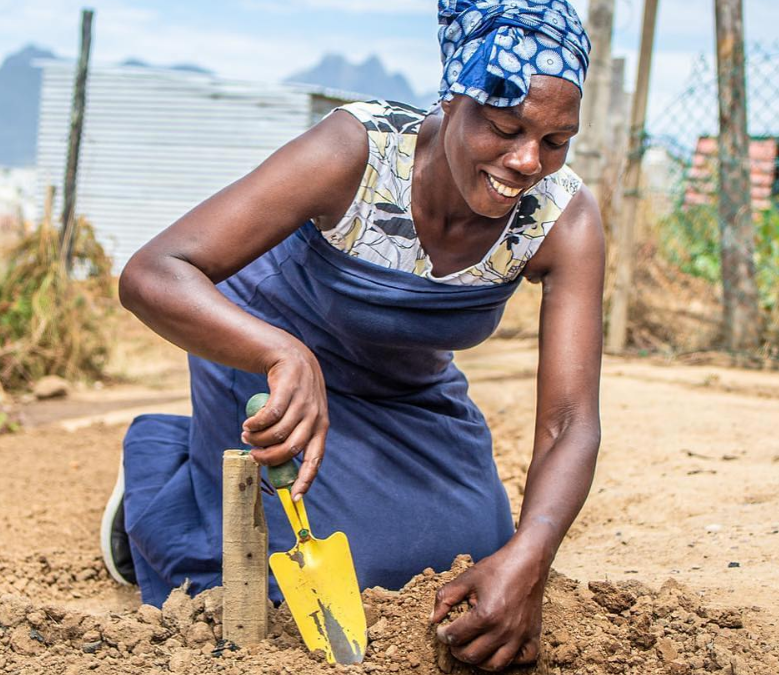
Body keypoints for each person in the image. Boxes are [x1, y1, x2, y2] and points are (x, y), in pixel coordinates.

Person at [104, 0, 603, 669]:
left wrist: (533, 555)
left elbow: (570, 421)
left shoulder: (563, 217)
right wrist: (280, 351)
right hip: (269, 359)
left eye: (555, 141)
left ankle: (203, 453)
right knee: (326, 591)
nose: (527, 161)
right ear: (452, 99)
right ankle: (163, 468)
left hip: (406, 385)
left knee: (475, 558)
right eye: (505, 127)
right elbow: (152, 272)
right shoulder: (359, 153)